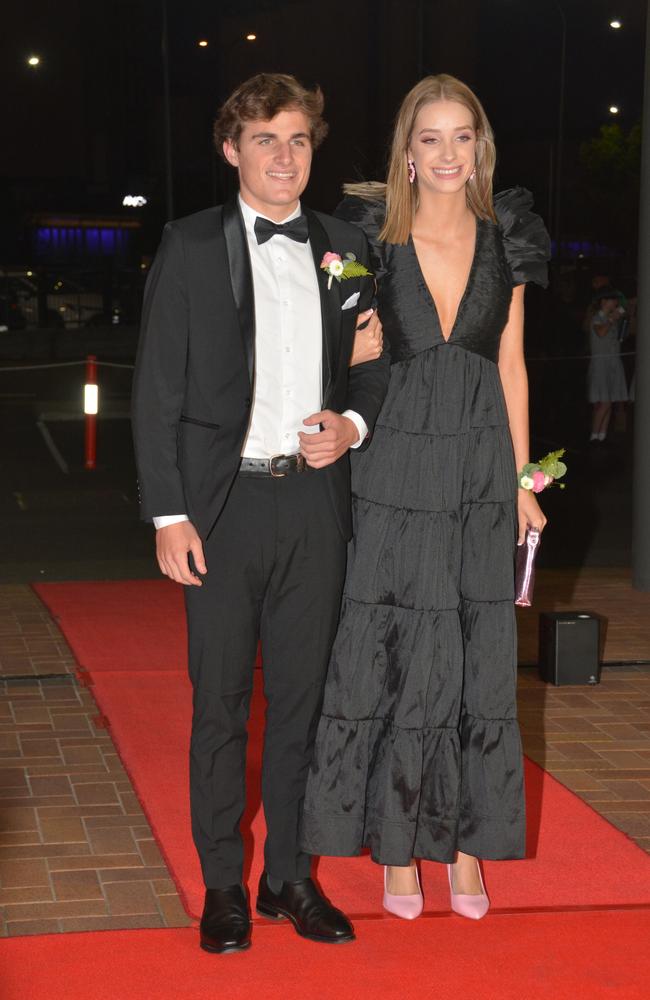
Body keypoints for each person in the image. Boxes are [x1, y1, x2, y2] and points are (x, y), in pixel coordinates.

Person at [131, 73, 389, 954]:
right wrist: (169, 515)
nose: (285, 156)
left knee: (305, 704)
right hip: (223, 506)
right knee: (222, 705)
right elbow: (156, 389)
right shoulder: (192, 243)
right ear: (232, 149)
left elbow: (375, 365)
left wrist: (350, 424)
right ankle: (220, 886)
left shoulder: (347, 246)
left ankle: (287, 877)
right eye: (266, 139)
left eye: (299, 140)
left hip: (315, 505)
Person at [301, 74, 550, 920]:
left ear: (480, 148)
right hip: (396, 466)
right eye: (431, 137)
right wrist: (353, 348)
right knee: (398, 646)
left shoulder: (507, 235)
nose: (448, 153)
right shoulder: (371, 238)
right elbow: (348, 351)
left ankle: (470, 848)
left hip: (482, 464)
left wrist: (523, 481)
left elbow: (511, 367)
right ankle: (399, 850)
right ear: (406, 152)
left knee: (478, 657)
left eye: (462, 137)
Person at [586, 287, 629, 441]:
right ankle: (594, 436)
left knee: (609, 401)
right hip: (601, 364)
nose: (616, 303)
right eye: (613, 300)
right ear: (604, 302)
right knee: (604, 401)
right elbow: (601, 332)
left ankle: (601, 436)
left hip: (613, 362)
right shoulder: (597, 317)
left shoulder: (614, 319)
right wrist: (612, 318)